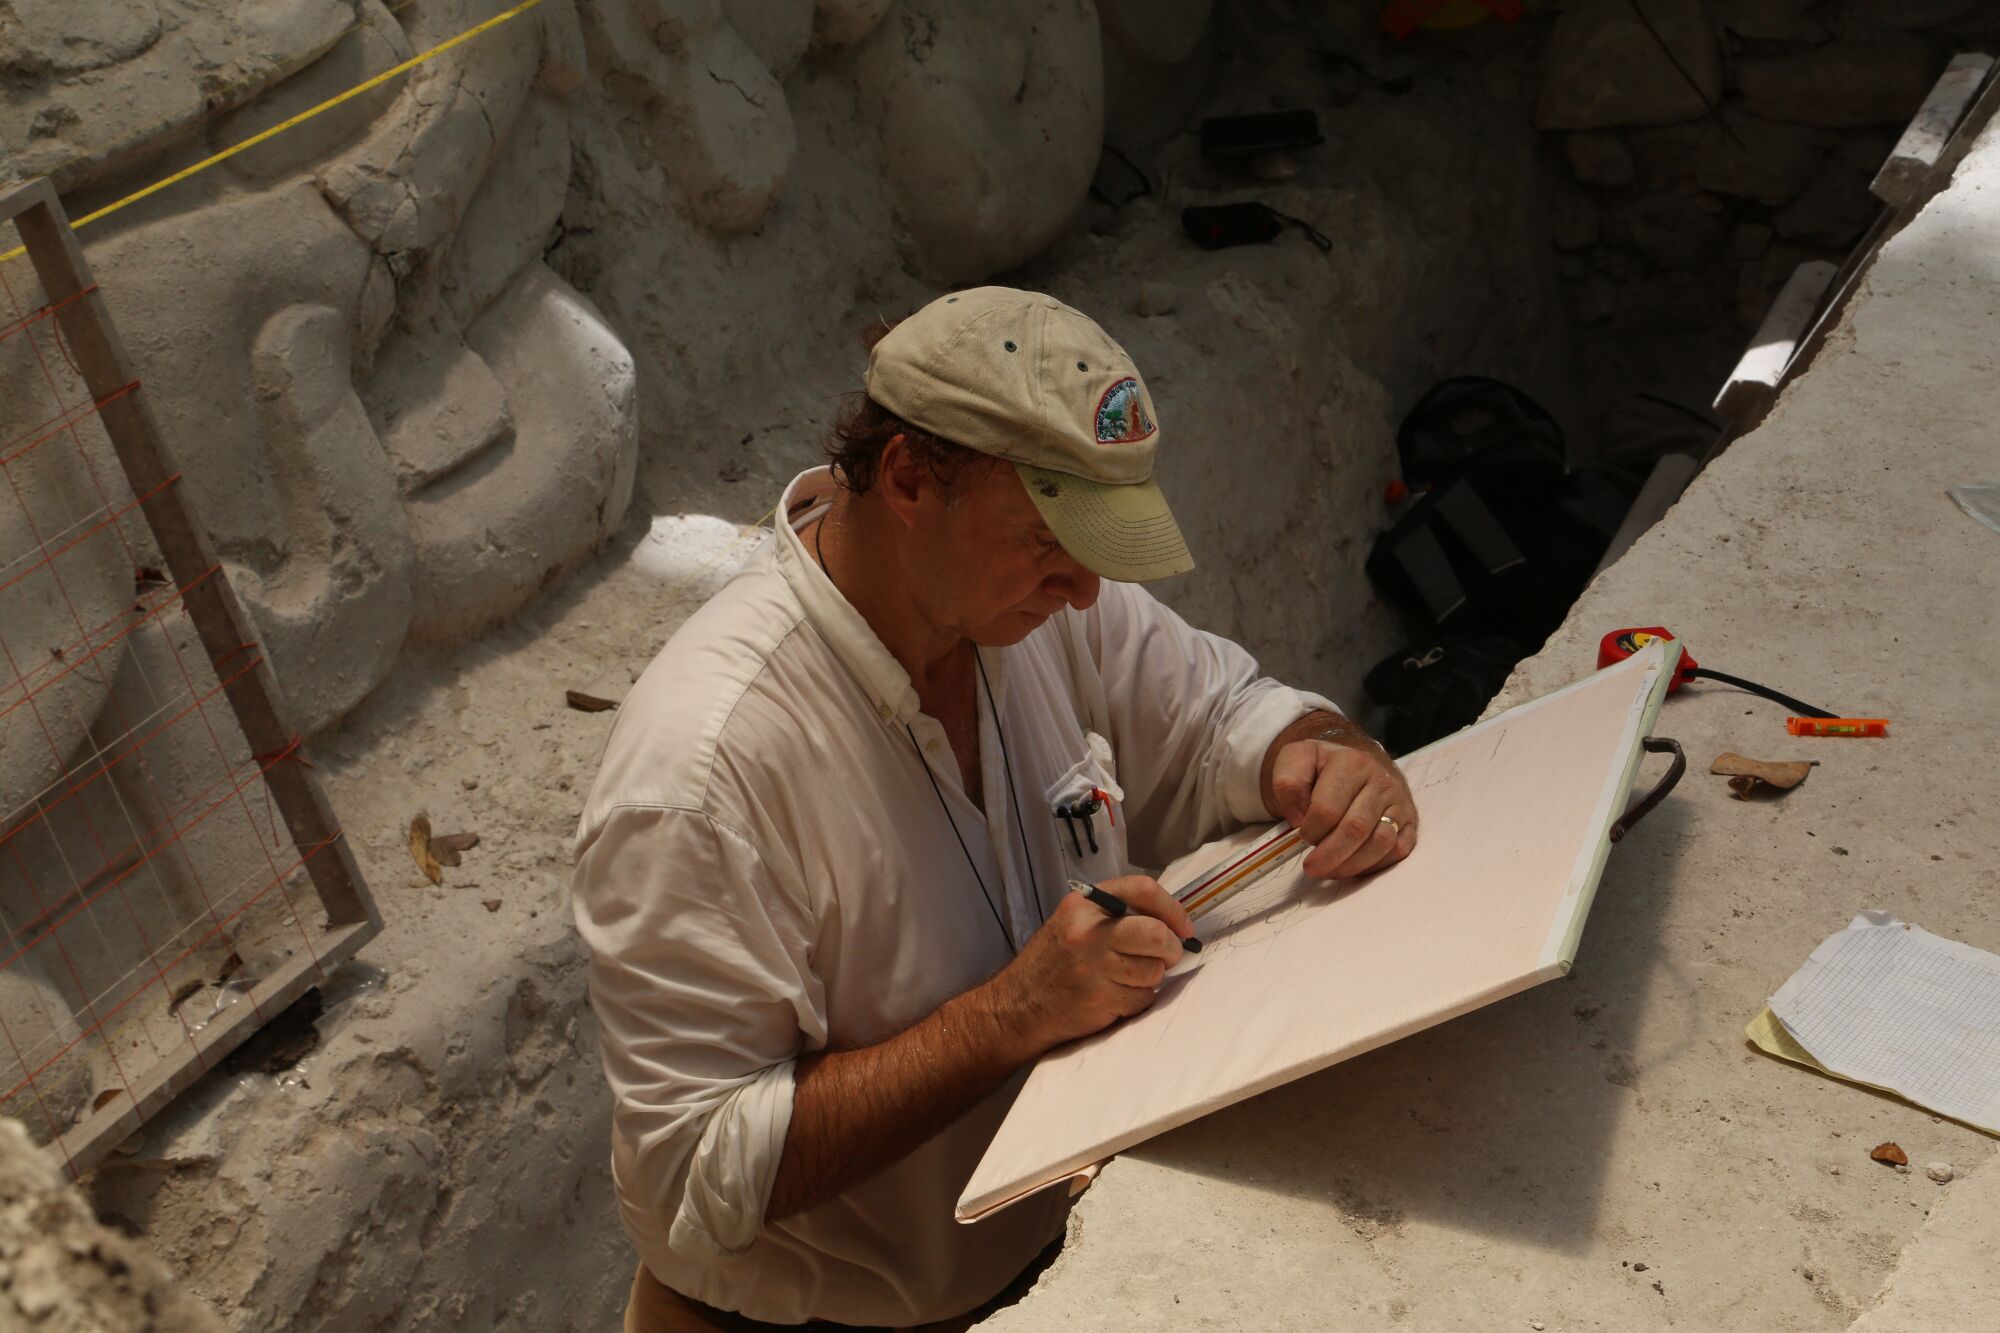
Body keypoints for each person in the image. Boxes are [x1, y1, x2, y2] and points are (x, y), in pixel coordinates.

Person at [572, 288, 1418, 1332]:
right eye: (1049, 537)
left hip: (1042, 1273)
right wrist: (1010, 1016)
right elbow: (698, 1172)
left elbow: (1222, 717)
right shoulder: (702, 771)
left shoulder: (1026, 605)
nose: (1082, 588)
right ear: (910, 479)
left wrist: (1320, 753)